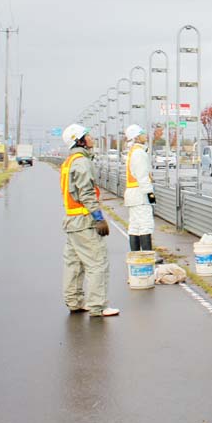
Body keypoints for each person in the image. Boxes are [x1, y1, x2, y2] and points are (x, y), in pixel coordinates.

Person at [60, 124, 119, 317]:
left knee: (74, 264)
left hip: (72, 220)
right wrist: (98, 218)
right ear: (80, 140)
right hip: (85, 220)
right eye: (88, 136)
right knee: (97, 263)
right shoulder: (81, 162)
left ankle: (74, 301)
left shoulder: (69, 162)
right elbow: (86, 192)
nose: (92, 138)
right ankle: (98, 306)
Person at [123, 124, 160, 262]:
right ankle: (148, 257)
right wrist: (151, 197)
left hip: (134, 194)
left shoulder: (133, 152)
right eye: (143, 133)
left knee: (135, 225)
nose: (146, 135)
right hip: (140, 195)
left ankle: (136, 256)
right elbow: (143, 178)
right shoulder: (139, 153)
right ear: (137, 137)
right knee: (145, 225)